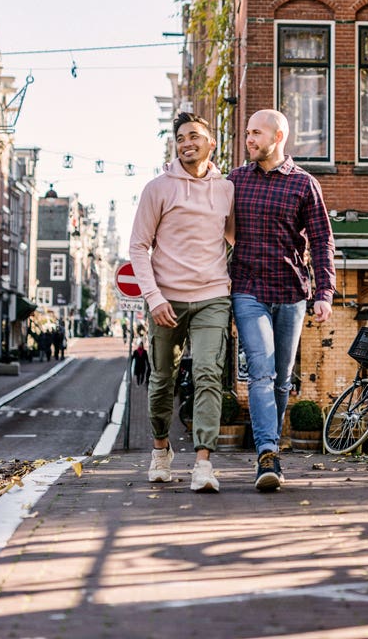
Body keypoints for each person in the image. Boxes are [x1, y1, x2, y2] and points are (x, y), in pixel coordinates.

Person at [230, 109, 335, 492]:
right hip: (247, 289)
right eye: (247, 133)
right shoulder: (235, 180)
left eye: (256, 133)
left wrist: (323, 292)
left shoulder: (304, 185)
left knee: (281, 379)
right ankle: (268, 452)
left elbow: (322, 241)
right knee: (261, 371)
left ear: (278, 137)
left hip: (291, 293)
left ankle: (270, 453)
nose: (249, 139)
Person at [130, 112, 234, 492]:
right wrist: (154, 298)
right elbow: (138, 247)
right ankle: (161, 450)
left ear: (212, 143)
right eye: (180, 137)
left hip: (212, 297)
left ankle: (203, 463)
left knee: (208, 374)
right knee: (162, 380)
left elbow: (236, 238)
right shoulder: (158, 188)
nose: (186, 142)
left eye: (194, 135)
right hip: (166, 300)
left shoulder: (226, 189)